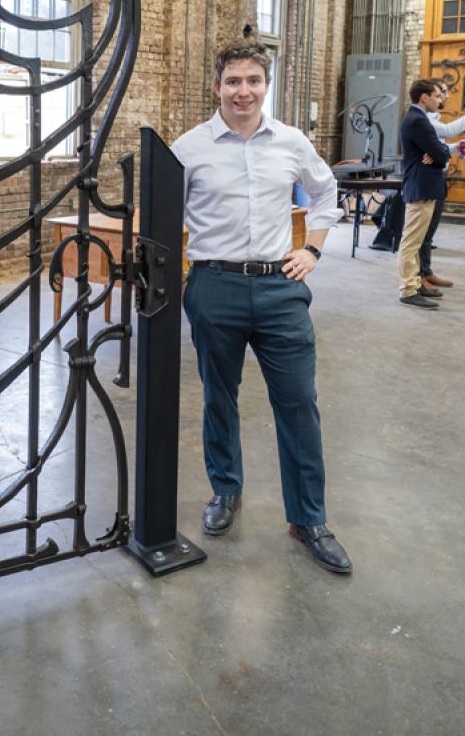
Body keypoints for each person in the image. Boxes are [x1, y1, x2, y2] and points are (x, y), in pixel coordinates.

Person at [172, 41, 351, 575]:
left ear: (265, 85)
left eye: (253, 80)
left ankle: (309, 519)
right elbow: (161, 211)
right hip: (214, 287)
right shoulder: (189, 147)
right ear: (217, 86)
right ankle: (226, 491)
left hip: (279, 289)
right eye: (233, 81)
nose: (243, 91)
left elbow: (325, 194)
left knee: (299, 403)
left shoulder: (291, 142)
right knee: (218, 398)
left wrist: (312, 249)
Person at [398, 79, 451, 308]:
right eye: (436, 96)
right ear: (424, 97)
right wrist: (439, 154)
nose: (438, 100)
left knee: (418, 241)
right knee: (411, 242)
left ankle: (416, 282)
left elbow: (438, 152)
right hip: (420, 186)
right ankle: (408, 290)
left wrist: (438, 153)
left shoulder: (418, 119)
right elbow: (441, 153)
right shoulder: (418, 120)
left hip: (424, 185)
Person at [418, 79, 465, 291]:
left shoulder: (431, 118)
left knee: (430, 231)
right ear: (426, 96)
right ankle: (419, 277)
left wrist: (448, 149)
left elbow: (439, 145)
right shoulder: (423, 119)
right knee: (422, 233)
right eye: (440, 93)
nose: (445, 97)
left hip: (437, 177)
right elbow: (449, 131)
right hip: (426, 181)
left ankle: (426, 271)